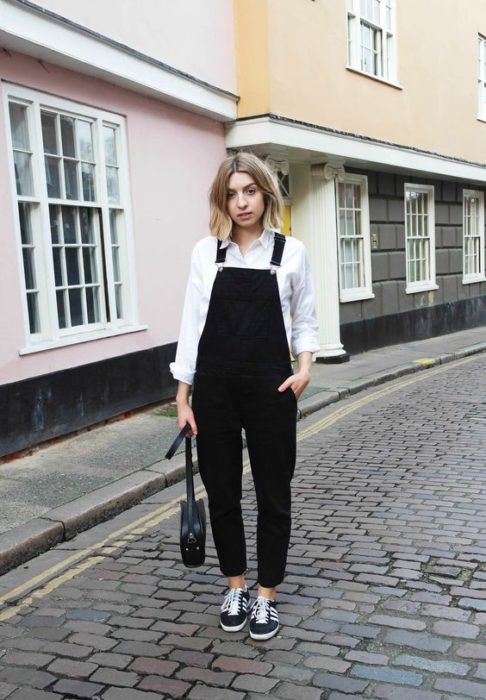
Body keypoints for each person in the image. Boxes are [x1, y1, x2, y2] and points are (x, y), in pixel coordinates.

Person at [170, 152, 319, 641]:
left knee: (274, 495)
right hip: (213, 388)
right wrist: (183, 395)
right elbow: (191, 326)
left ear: (265, 192)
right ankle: (235, 585)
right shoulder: (205, 253)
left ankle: (267, 594)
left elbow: (304, 319)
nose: (241, 202)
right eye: (232, 193)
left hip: (271, 386)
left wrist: (304, 371)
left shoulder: (291, 252)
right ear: (222, 198)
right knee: (224, 493)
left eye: (249, 191)